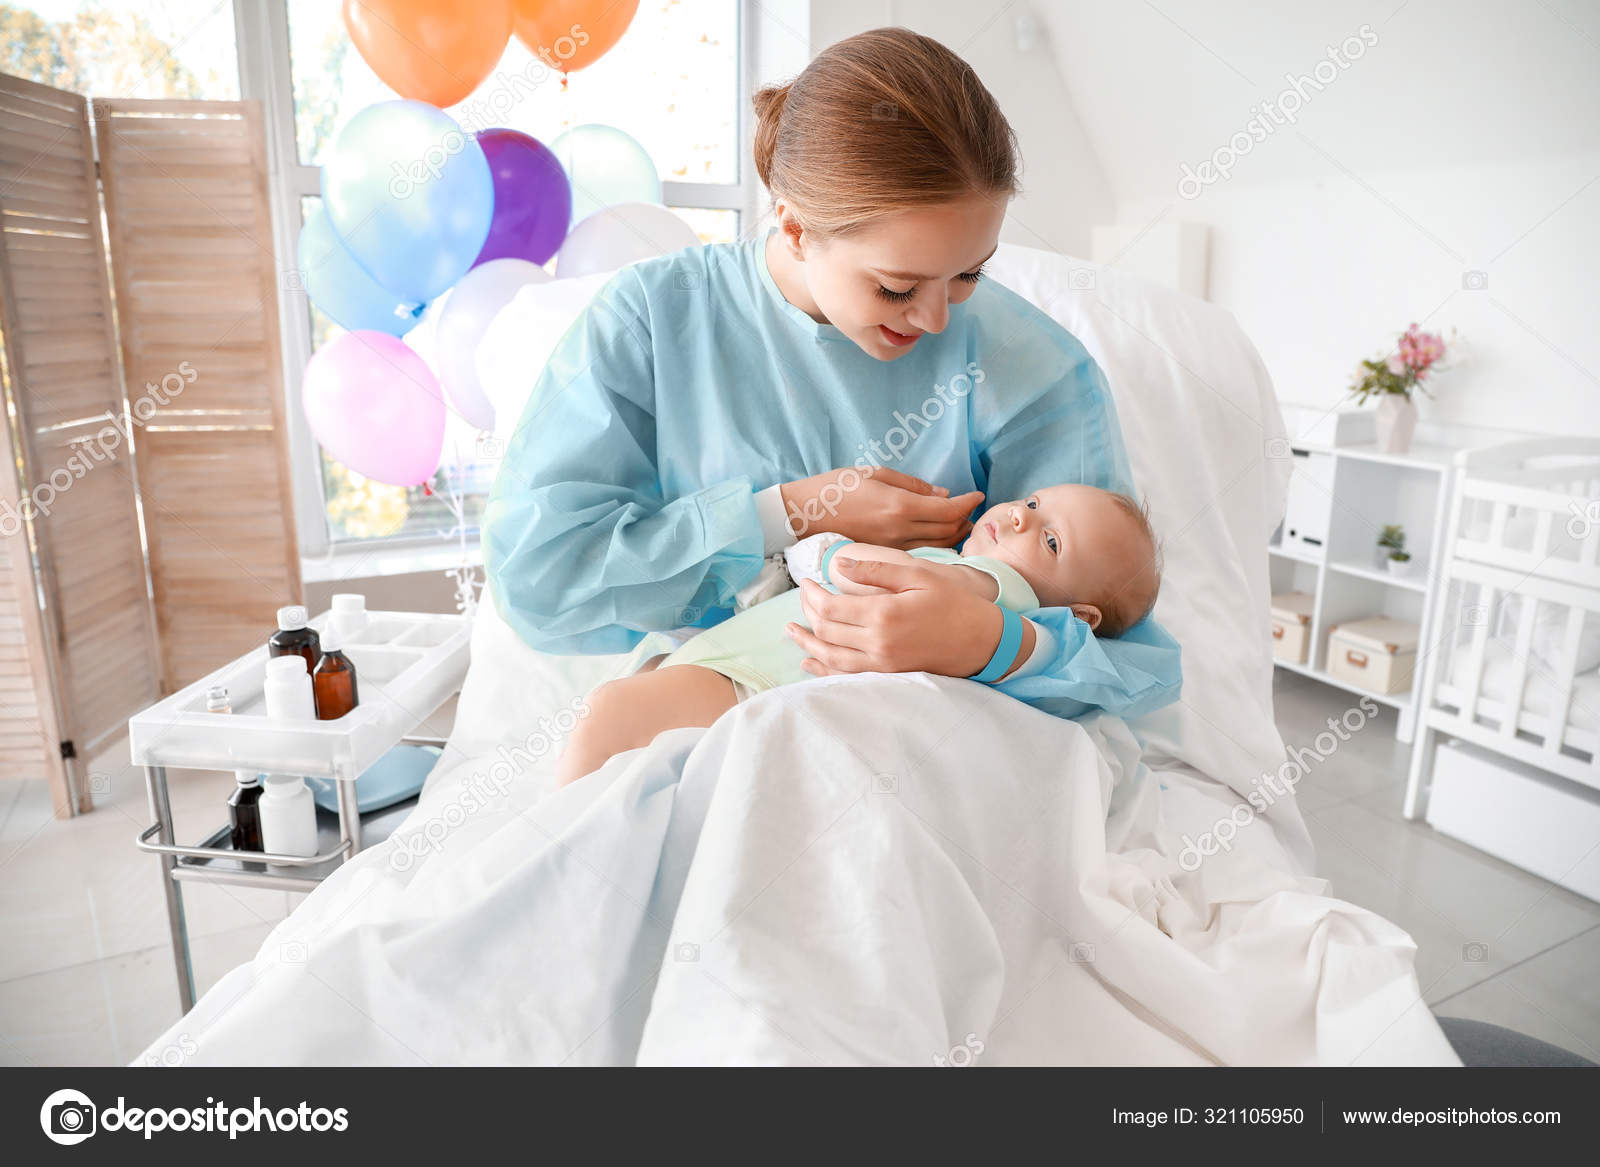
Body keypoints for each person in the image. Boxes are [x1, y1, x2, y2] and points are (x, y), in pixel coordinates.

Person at [483, 27, 1181, 747]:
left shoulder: (1034, 369)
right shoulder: (653, 322)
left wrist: (986, 641)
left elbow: (1132, 663)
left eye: (969, 273)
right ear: (793, 226)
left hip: (916, 744)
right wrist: (786, 515)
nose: (937, 318)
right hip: (700, 712)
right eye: (897, 287)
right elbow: (541, 583)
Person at [553, 484, 1162, 784]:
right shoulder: (964, 573)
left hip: (749, 680)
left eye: (1051, 540)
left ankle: (565, 852)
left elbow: (872, 573)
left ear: (1080, 616)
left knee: (609, 718)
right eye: (1031, 503)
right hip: (740, 671)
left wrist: (825, 552)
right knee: (632, 759)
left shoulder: (999, 590)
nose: (1020, 519)